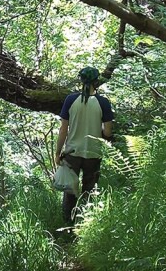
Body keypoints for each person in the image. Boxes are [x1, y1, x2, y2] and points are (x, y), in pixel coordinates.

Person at [55, 66, 114, 224]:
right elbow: (108, 132)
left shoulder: (70, 100)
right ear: (96, 81)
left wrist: (57, 153)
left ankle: (68, 226)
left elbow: (63, 129)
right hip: (93, 153)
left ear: (80, 80)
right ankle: (86, 224)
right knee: (89, 190)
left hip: (72, 152)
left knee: (70, 191)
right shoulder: (104, 103)